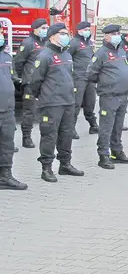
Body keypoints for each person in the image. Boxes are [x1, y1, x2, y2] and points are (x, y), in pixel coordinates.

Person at [30, 23, 84, 182]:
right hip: (51, 104)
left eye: (67, 33)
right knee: (49, 136)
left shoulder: (67, 54)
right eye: (62, 33)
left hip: (67, 101)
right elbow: (35, 82)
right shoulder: (44, 55)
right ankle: (46, 168)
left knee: (66, 134)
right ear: (52, 36)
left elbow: (70, 76)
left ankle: (65, 164)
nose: (66, 36)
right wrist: (45, 96)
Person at [88, 24, 128, 169]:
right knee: (106, 126)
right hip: (109, 96)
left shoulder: (121, 51)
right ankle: (103, 155)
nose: (117, 36)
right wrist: (106, 83)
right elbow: (91, 73)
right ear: (106, 36)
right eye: (113, 34)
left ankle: (117, 152)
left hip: (122, 95)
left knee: (118, 127)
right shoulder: (101, 53)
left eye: (118, 33)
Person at [13, 18, 49, 148]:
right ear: (35, 29)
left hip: (45, 82)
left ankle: (47, 137)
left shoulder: (48, 42)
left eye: (46, 27)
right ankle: (26, 137)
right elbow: (18, 62)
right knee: (30, 111)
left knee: (46, 111)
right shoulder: (27, 43)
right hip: (30, 82)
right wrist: (20, 78)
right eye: (43, 28)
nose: (45, 30)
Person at [0, 33, 27, 190]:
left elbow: (11, 76)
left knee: (7, 144)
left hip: (7, 109)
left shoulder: (6, 56)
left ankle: (5, 176)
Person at [70, 21, 99, 138]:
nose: (88, 31)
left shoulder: (89, 43)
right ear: (79, 31)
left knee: (90, 102)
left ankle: (93, 125)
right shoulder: (74, 43)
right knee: (76, 104)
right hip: (78, 78)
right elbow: (67, 58)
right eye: (86, 29)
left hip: (89, 78)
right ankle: (71, 128)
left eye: (89, 29)